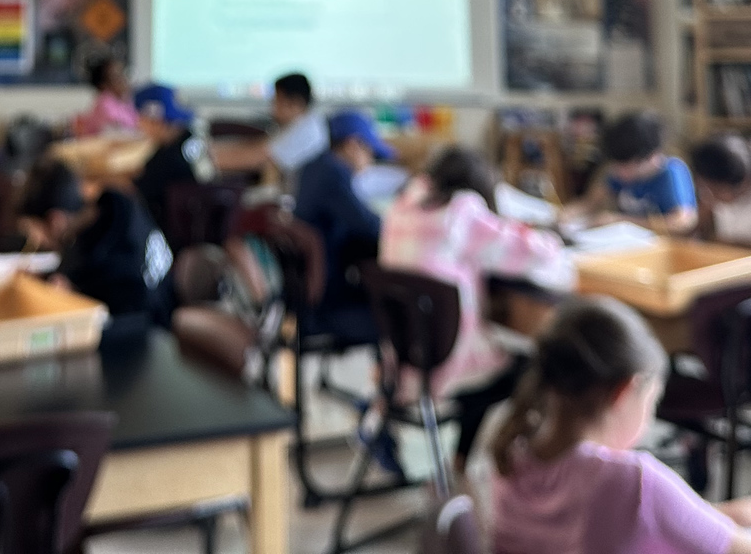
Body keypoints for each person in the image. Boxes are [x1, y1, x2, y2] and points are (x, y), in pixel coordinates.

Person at [489, 297, 751, 554]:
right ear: (625, 392)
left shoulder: (511, 450)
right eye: (652, 401)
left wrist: (710, 515)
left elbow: (605, 529)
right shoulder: (631, 480)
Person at [380, 145, 576, 469]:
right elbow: (533, 253)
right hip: (448, 363)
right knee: (534, 365)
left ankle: (459, 461)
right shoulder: (461, 211)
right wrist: (552, 236)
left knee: (501, 354)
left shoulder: (402, 206)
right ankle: (522, 469)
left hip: (404, 359)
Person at [18, 157, 173, 333]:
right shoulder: (120, 202)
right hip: (167, 307)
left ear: (56, 221)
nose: (36, 241)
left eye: (34, 232)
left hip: (147, 339)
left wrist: (67, 296)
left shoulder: (92, 265)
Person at [293, 110, 389, 309]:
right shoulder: (334, 174)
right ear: (353, 145)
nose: (370, 161)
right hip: (331, 294)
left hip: (312, 282)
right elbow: (370, 227)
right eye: (371, 153)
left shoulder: (313, 166)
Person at [568, 111, 697, 235]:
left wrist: (621, 220)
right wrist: (567, 214)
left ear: (651, 157)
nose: (619, 172)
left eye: (626, 166)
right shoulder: (617, 172)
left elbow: (682, 223)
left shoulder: (671, 171)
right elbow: (589, 203)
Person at [210, 71, 329, 183]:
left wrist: (206, 158)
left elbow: (254, 158)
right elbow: (259, 146)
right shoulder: (302, 121)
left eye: (277, 101)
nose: (272, 107)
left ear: (295, 103)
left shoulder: (305, 131)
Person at [133, 81, 216, 232]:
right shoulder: (193, 137)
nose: (139, 124)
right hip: (206, 221)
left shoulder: (166, 160)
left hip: (174, 232)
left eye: (140, 117)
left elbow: (136, 192)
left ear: (154, 119)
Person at [73, 53, 141, 137]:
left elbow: (135, 122)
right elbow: (122, 129)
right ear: (103, 85)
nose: (123, 80)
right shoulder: (105, 103)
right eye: (116, 77)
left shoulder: (123, 101)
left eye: (123, 74)